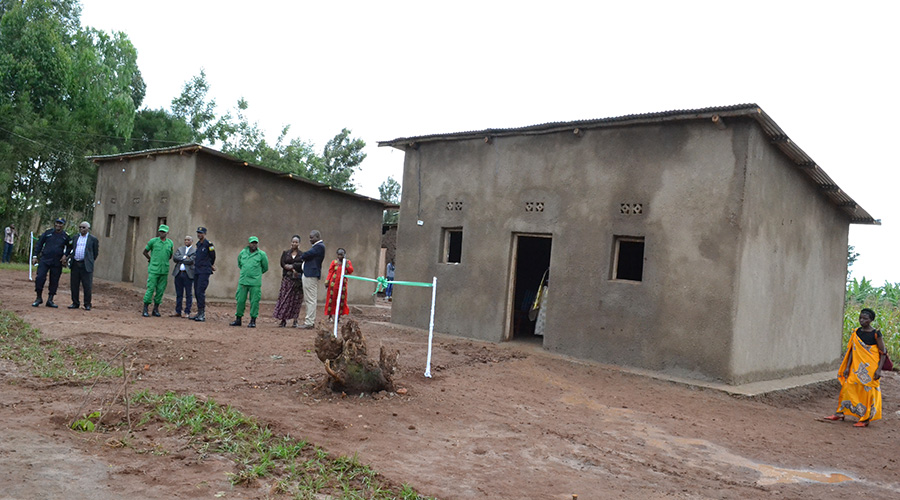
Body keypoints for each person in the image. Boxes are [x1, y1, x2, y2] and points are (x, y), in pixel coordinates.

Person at [823, 308, 886, 427]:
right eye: (860, 318)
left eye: (865, 319)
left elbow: (883, 352)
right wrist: (847, 367)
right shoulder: (856, 332)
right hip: (856, 367)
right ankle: (840, 413)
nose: (862, 320)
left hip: (870, 367)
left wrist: (878, 370)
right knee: (848, 386)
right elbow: (852, 350)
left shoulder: (876, 334)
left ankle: (865, 419)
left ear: (871, 320)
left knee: (868, 391)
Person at [230, 236, 268, 328]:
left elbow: (265, 267)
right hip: (243, 281)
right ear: (249, 243)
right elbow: (239, 264)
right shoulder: (243, 252)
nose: (254, 245)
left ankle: (253, 320)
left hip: (255, 282)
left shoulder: (261, 254)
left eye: (255, 243)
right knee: (240, 300)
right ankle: (238, 319)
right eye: (252, 243)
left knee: (254, 301)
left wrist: (256, 274)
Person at [32, 217, 71, 308]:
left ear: (63, 225)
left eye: (60, 223)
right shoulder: (48, 233)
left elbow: (70, 246)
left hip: (57, 261)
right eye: (57, 223)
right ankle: (38, 298)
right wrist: (35, 256)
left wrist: (65, 255)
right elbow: (39, 244)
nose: (58, 225)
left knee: (54, 280)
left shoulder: (65, 236)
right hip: (45, 259)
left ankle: (50, 300)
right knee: (40, 278)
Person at [141, 224, 174, 317]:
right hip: (154, 269)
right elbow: (145, 251)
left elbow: (170, 255)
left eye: (164, 232)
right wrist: (150, 259)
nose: (162, 233)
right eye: (160, 231)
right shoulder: (153, 241)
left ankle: (156, 308)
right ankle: (145, 308)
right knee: (150, 288)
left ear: (167, 233)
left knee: (160, 290)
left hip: (164, 270)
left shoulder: (170, 243)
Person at [272, 235, 304, 328]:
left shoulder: (302, 254)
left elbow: (302, 265)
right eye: (293, 242)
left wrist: (294, 266)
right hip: (287, 279)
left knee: (296, 300)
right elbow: (282, 263)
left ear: (299, 243)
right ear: (291, 243)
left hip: (297, 281)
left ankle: (295, 320)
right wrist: (287, 267)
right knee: (284, 299)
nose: (294, 243)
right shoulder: (285, 253)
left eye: (296, 242)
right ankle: (283, 320)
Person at [66, 222, 99, 311]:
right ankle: (75, 303)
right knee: (74, 285)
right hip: (75, 264)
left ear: (88, 228)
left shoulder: (93, 239)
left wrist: (89, 261)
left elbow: (95, 253)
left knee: (87, 285)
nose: (81, 229)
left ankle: (87, 304)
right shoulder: (75, 237)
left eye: (83, 227)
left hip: (86, 265)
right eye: (80, 227)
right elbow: (70, 248)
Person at [296, 230, 325, 329]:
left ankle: (309, 322)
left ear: (317, 237)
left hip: (311, 275)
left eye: (311, 237)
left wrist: (303, 256)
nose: (310, 239)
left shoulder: (319, 246)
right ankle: (309, 321)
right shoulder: (317, 247)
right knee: (309, 299)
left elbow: (304, 255)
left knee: (310, 299)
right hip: (308, 274)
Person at [190, 227, 216, 322]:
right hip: (197, 270)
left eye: (201, 233)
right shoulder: (198, 244)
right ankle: (199, 312)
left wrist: (209, 265)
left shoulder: (209, 244)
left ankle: (202, 314)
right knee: (196, 291)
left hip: (204, 271)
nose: (199, 234)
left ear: (205, 234)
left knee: (201, 291)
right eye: (198, 233)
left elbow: (213, 256)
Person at [325, 248, 353, 322]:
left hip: (343, 285)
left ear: (344, 255)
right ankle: (330, 316)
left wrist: (346, 264)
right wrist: (327, 281)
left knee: (341, 300)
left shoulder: (347, 262)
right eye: (339, 254)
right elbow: (330, 272)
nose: (340, 256)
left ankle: (339, 317)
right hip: (333, 284)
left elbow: (350, 271)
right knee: (331, 299)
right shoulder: (334, 262)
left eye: (342, 254)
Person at [171, 235, 196, 318]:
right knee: (179, 293)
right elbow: (175, 258)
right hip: (178, 273)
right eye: (185, 240)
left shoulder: (194, 250)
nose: (186, 241)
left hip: (188, 274)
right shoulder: (180, 249)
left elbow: (191, 260)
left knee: (188, 293)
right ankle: (178, 310)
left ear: (192, 241)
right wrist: (185, 257)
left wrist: (181, 258)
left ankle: (187, 311)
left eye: (188, 240)